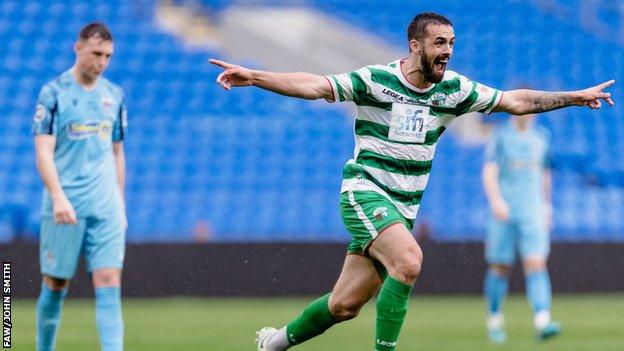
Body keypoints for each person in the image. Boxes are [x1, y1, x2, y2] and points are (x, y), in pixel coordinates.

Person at [209, 12, 615, 351]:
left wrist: (574, 96)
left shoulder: (453, 89)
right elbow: (316, 85)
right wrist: (255, 76)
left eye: (452, 43)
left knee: (344, 306)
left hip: (402, 209)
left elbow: (514, 100)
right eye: (440, 43)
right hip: (364, 191)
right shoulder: (376, 80)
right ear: (415, 45)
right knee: (408, 262)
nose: (448, 52)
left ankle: (273, 343)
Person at [32, 22, 127, 351]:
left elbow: (117, 152)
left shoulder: (114, 96)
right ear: (78, 48)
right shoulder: (53, 93)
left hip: (106, 205)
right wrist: (58, 197)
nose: (102, 62)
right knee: (55, 284)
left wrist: (121, 205)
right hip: (66, 206)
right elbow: (43, 150)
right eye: (97, 53)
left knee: (109, 281)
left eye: (108, 56)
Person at [483, 113, 558, 342]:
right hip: (505, 209)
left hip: (532, 209)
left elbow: (545, 173)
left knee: (536, 263)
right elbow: (490, 170)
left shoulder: (542, 137)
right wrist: (496, 200)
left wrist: (547, 206)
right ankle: (494, 321)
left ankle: (542, 322)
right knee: (500, 267)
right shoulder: (501, 135)